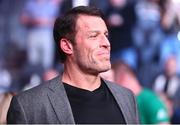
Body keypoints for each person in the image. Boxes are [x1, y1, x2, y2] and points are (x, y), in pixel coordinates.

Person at [7, 6, 139, 124]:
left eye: (106, 35)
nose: (106, 43)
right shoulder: (29, 106)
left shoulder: (126, 98)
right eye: (93, 36)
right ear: (67, 46)